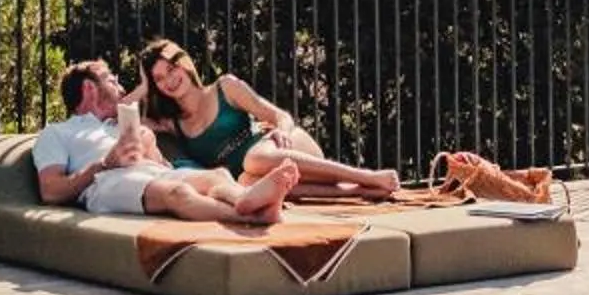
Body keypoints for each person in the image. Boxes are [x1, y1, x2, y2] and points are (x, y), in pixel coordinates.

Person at [35, 59, 299, 222]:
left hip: (148, 172)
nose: (121, 88)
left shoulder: (121, 124)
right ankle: (253, 215)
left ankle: (249, 199)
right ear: (89, 88)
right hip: (105, 182)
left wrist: (149, 148)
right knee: (178, 193)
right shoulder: (58, 132)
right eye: (111, 80)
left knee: (216, 176)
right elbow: (51, 191)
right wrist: (105, 164)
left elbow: (159, 168)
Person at [133, 37, 398, 200]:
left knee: (254, 159)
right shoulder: (170, 123)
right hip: (261, 178)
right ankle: (359, 190)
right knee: (246, 182)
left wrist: (282, 130)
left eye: (171, 68)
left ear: (184, 63)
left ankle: (367, 176)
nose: (169, 80)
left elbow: (279, 115)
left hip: (283, 148)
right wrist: (143, 87)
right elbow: (117, 116)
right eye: (158, 78)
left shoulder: (226, 87)